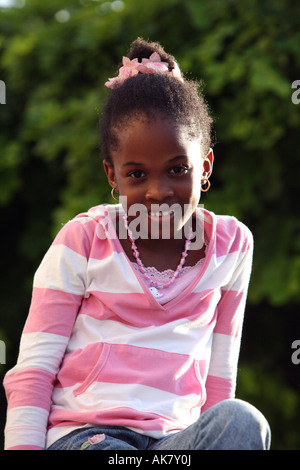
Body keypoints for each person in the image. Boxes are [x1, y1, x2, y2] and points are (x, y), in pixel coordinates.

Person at [3, 38, 271, 450]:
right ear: (112, 176)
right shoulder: (85, 239)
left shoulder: (232, 245)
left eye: (178, 169)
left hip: (173, 444)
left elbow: (220, 377)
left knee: (241, 420)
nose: (158, 191)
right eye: (136, 175)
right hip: (88, 438)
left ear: (206, 166)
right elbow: (34, 370)